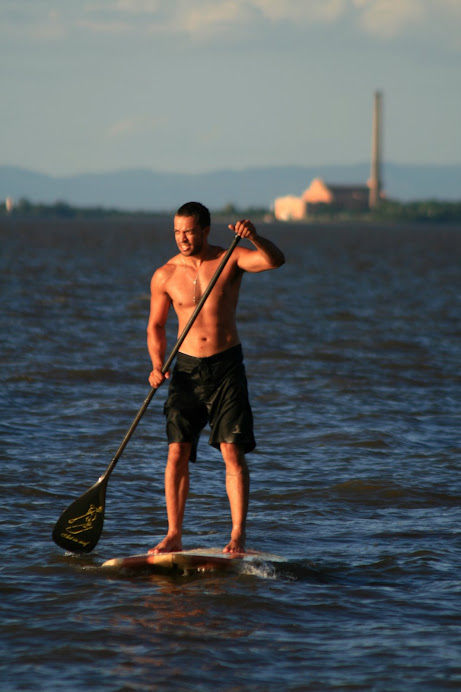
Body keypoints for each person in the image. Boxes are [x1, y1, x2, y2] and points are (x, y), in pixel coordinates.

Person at [147, 201, 285, 554]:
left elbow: (274, 260)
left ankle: (237, 535)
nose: (183, 238)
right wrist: (156, 364)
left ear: (206, 230)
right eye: (177, 232)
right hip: (186, 371)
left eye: (189, 231)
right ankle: (174, 534)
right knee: (176, 450)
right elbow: (157, 325)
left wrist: (254, 237)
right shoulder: (165, 274)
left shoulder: (230, 259)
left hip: (226, 367)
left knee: (232, 451)